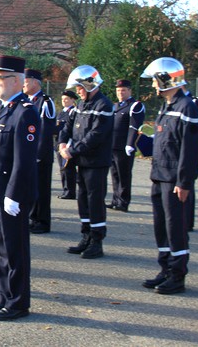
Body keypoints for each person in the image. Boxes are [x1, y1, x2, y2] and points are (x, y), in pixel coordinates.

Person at [0, 55, 38, 321]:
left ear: (16, 81)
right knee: (2, 249)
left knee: (15, 251)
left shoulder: (25, 112)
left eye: (0, 78)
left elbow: (24, 159)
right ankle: (5, 295)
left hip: (11, 194)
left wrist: (12, 194)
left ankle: (18, 302)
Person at [140, 57, 198, 295]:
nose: (153, 86)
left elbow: (189, 149)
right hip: (159, 175)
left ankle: (177, 275)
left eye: (156, 81)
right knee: (161, 227)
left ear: (166, 80)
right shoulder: (167, 106)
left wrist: (184, 182)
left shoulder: (187, 107)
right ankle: (165, 269)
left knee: (176, 228)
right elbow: (163, 142)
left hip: (175, 180)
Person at [58, 65, 113, 259]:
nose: (78, 92)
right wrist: (62, 142)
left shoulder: (103, 105)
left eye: (80, 88)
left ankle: (96, 241)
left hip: (96, 162)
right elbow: (68, 125)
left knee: (95, 200)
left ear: (90, 85)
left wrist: (73, 151)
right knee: (82, 199)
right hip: (81, 161)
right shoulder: (81, 105)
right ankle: (86, 236)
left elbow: (96, 135)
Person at [23, 68, 56, 234]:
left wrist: (37, 155)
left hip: (41, 155)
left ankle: (42, 221)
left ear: (35, 82)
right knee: (32, 188)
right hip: (30, 154)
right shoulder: (28, 101)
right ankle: (33, 217)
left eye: (26, 80)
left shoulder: (45, 102)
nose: (23, 84)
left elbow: (45, 131)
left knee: (42, 189)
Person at [107, 79, 145, 213]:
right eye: (118, 90)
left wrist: (130, 144)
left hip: (124, 146)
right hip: (113, 145)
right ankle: (115, 200)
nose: (120, 93)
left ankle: (123, 202)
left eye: (123, 90)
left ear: (129, 91)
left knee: (124, 175)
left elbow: (134, 126)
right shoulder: (115, 106)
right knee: (115, 174)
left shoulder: (135, 106)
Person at [181, 84, 198, 232]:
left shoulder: (194, 102)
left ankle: (187, 221)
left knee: (186, 184)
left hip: (190, 150)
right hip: (174, 152)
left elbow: (197, 130)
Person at [56, 90, 78, 200]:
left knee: (68, 168)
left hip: (68, 144)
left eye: (66, 99)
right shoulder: (62, 112)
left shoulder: (73, 112)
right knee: (62, 168)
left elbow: (72, 129)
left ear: (73, 100)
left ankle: (70, 191)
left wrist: (68, 144)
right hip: (60, 143)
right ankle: (66, 189)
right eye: (62, 99)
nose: (64, 101)